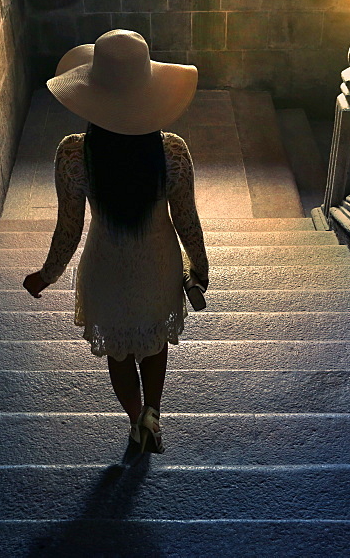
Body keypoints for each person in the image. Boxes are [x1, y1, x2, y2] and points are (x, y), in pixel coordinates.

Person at [22, 30, 209, 454]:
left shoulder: (74, 155)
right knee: (155, 344)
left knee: (120, 356)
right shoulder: (171, 153)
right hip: (158, 268)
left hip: (104, 270)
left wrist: (46, 275)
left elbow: (67, 229)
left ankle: (133, 420)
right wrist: (199, 268)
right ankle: (153, 416)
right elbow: (186, 221)